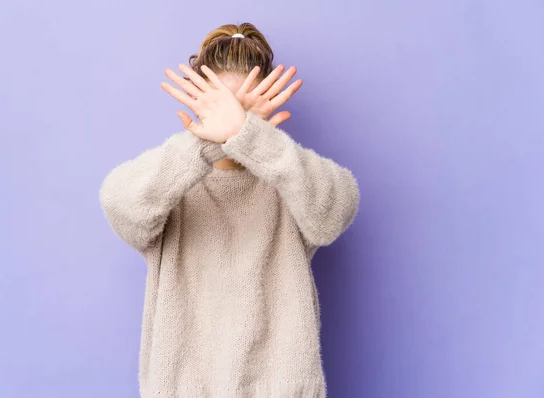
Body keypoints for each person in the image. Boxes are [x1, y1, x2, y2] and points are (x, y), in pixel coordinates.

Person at [99, 22, 360, 398]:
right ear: (197, 101)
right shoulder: (168, 180)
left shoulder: (291, 178)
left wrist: (251, 137)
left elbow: (335, 211)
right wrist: (207, 143)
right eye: (220, 106)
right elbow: (120, 204)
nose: (230, 121)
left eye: (242, 109)